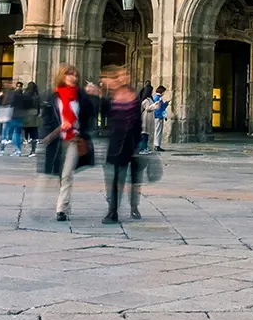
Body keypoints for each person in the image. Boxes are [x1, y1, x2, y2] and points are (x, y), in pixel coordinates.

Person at [41, 65, 96, 221]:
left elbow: (91, 114)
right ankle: (66, 204)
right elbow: (47, 118)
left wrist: (93, 96)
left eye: (75, 75)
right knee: (59, 174)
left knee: (66, 174)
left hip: (74, 140)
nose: (73, 77)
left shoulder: (81, 97)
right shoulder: (54, 97)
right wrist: (55, 127)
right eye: (69, 74)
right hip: (58, 140)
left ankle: (61, 209)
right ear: (62, 77)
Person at [101, 67, 145, 224]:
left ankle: (134, 206)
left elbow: (138, 122)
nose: (124, 78)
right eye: (120, 76)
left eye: (126, 75)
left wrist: (138, 143)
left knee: (133, 178)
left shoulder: (134, 96)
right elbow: (102, 111)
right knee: (114, 179)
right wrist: (99, 93)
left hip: (131, 143)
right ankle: (112, 211)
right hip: (115, 143)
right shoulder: (112, 97)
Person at [0, 84, 26, 158]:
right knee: (18, 133)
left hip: (14, 116)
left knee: (8, 131)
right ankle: (18, 150)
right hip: (21, 116)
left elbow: (6, 103)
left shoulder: (13, 96)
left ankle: (5, 145)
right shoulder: (23, 97)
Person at [21, 81, 42, 156]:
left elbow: (23, 105)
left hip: (27, 114)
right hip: (34, 114)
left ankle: (26, 142)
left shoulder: (26, 94)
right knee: (34, 132)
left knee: (27, 130)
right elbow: (39, 105)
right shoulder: (36, 95)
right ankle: (33, 150)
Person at [150, 85, 170, 151]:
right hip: (158, 117)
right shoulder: (157, 98)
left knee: (158, 131)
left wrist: (166, 103)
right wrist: (162, 115)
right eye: (164, 92)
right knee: (158, 131)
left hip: (159, 116)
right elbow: (158, 109)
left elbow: (162, 107)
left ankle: (157, 144)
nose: (164, 93)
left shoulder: (159, 98)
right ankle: (157, 145)